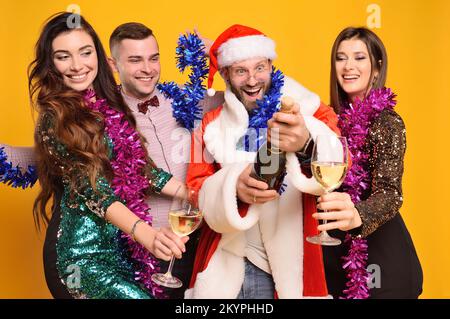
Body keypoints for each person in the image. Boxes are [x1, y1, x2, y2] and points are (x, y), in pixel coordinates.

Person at [1, 21, 221, 298]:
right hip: (81, 258)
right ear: (50, 63)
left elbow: (138, 167)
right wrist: (146, 234)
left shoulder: (104, 105)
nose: (77, 65)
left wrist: (192, 192)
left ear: (97, 55)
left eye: (85, 52)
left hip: (120, 254)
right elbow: (93, 189)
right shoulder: (55, 116)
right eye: (63, 56)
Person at [185, 24, 341, 299]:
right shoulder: (211, 125)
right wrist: (232, 187)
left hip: (285, 265)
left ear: (271, 65)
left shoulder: (306, 108)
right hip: (226, 259)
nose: (252, 80)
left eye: (259, 67)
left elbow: (340, 159)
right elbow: (195, 188)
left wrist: (305, 143)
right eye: (240, 70)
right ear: (226, 74)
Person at [316, 27, 423, 298]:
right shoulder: (327, 124)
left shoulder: (387, 122)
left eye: (359, 57)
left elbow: (390, 193)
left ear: (376, 68)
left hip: (381, 258)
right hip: (334, 255)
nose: (349, 66)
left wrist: (357, 215)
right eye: (341, 58)